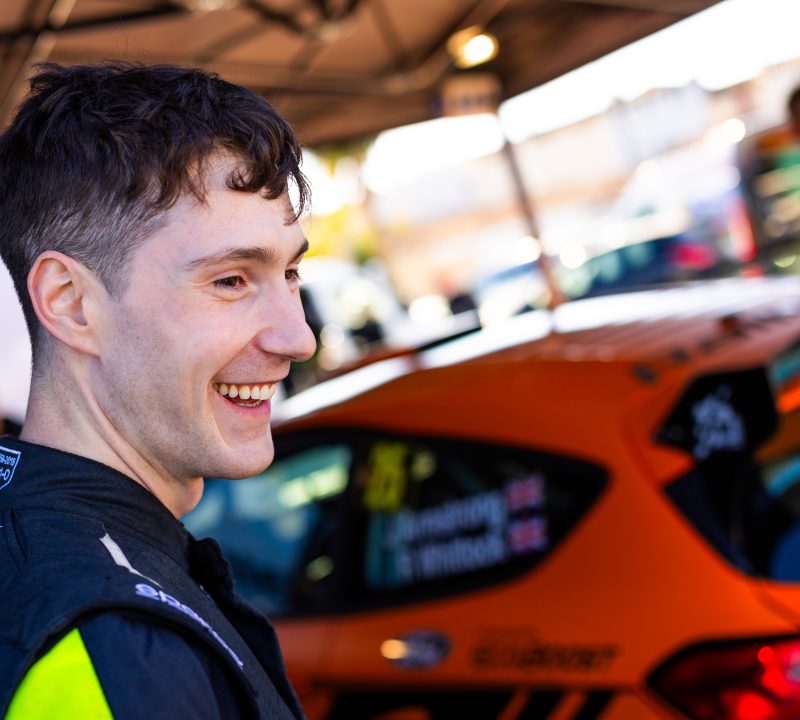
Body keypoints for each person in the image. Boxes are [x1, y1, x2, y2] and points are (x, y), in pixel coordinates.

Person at [0, 62, 317, 718]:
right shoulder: (117, 648)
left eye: (290, 273)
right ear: (70, 302)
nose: (299, 338)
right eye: (231, 280)